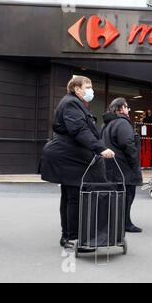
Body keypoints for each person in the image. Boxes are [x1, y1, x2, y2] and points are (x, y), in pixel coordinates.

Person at [40, 75, 115, 249]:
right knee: (74, 198)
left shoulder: (75, 104)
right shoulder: (72, 103)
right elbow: (79, 130)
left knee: (70, 197)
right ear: (76, 88)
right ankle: (73, 238)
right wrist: (100, 148)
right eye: (87, 86)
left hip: (69, 157)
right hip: (69, 158)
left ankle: (68, 236)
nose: (91, 90)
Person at [102, 98, 143, 233]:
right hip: (124, 167)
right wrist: (134, 164)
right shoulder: (122, 123)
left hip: (110, 166)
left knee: (116, 196)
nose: (128, 110)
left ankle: (116, 222)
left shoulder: (107, 124)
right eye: (127, 107)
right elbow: (128, 145)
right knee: (127, 196)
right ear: (121, 108)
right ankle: (125, 223)